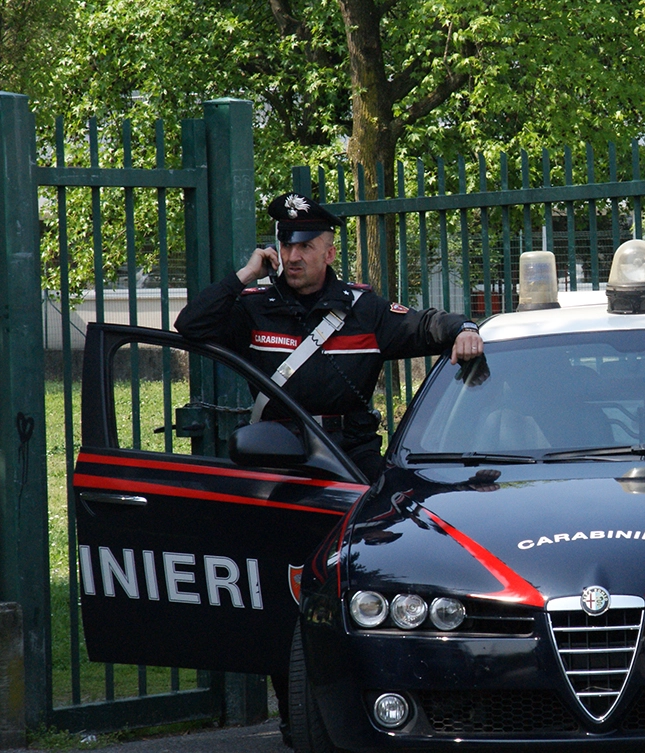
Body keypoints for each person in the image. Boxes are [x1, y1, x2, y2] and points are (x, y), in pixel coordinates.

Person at [176, 192, 483, 745]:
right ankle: (298, 715)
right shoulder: (252, 305)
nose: (292, 257)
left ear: (328, 249)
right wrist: (243, 274)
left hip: (349, 460)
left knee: (357, 579)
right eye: (284, 245)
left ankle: (372, 701)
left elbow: (421, 326)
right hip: (279, 456)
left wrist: (464, 326)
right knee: (283, 587)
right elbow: (191, 326)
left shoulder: (361, 307)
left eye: (304, 246)